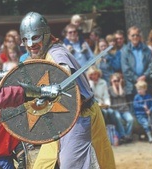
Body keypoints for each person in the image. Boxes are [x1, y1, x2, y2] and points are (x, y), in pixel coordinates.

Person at [19, 12, 115, 169]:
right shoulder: (42, 56)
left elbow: (63, 69)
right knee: (44, 165)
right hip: (61, 120)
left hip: (80, 118)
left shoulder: (56, 53)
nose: (30, 44)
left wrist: (58, 82)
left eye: (35, 38)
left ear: (46, 35)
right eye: (26, 40)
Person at [121, 26, 152, 103]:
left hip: (146, 85)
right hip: (132, 87)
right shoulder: (125, 51)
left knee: (149, 111)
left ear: (140, 36)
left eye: (137, 35)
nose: (135, 37)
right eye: (133, 35)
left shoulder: (146, 49)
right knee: (135, 112)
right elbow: (125, 69)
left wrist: (144, 76)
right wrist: (136, 78)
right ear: (129, 37)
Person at [109, 73, 134, 144]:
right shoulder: (110, 89)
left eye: (118, 80)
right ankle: (123, 135)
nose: (116, 82)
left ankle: (127, 135)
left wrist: (120, 85)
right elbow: (115, 94)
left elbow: (121, 94)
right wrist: (113, 85)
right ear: (111, 81)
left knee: (130, 119)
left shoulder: (123, 88)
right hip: (115, 110)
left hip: (124, 110)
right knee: (118, 118)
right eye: (114, 81)